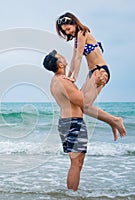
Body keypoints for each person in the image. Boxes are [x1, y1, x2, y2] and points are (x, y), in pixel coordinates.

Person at [56, 12, 126, 140]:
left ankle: (115, 120)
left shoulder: (82, 33)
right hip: (92, 73)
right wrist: (68, 76)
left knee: (85, 106)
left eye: (68, 29)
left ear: (74, 23)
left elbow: (78, 57)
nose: (67, 33)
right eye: (64, 31)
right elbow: (73, 58)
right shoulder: (77, 38)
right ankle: (112, 122)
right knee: (79, 105)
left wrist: (74, 78)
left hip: (100, 72)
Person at [43, 50, 88, 191]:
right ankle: (72, 195)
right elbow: (83, 101)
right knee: (76, 163)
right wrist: (93, 82)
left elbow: (76, 98)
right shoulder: (63, 82)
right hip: (73, 122)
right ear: (61, 64)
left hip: (67, 122)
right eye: (60, 56)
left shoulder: (56, 80)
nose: (63, 55)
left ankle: (73, 193)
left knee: (78, 162)